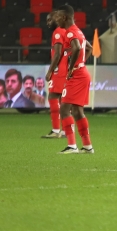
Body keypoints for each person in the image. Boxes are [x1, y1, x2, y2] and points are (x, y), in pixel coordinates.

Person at [56, 4, 94, 154]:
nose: (57, 20)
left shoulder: (71, 33)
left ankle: (72, 146)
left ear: (65, 17)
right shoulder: (79, 31)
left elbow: (77, 48)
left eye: (58, 17)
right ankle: (87, 146)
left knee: (64, 109)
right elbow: (89, 48)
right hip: (82, 73)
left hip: (77, 75)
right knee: (78, 111)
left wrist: (72, 68)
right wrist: (81, 64)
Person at [42, 9, 69, 139]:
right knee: (63, 100)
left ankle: (56, 130)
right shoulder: (66, 31)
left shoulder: (57, 32)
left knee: (53, 97)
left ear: (57, 20)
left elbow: (57, 54)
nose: (47, 22)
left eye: (49, 19)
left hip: (59, 71)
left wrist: (50, 71)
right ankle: (64, 131)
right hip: (65, 69)